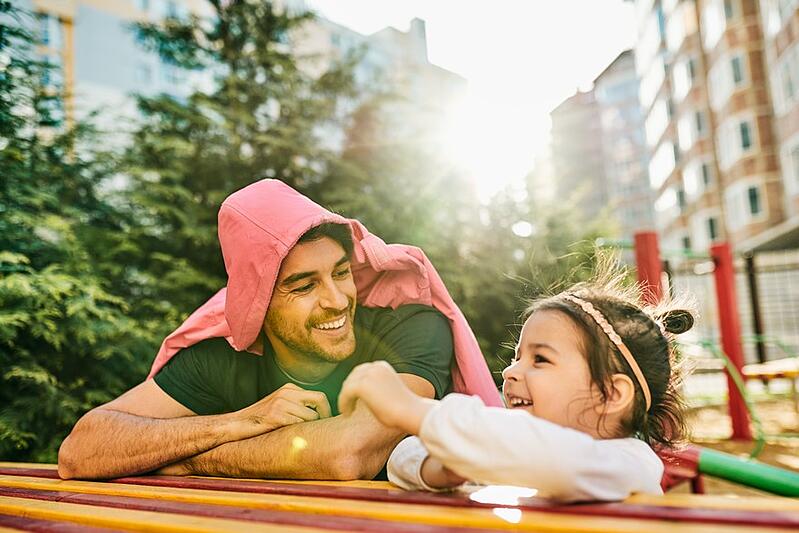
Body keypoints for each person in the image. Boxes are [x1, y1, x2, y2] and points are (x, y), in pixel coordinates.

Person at [57, 179, 500, 480]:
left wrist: (190, 459)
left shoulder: (412, 326)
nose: (336, 299)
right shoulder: (219, 356)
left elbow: (348, 453)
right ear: (258, 306)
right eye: (304, 285)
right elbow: (81, 451)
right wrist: (238, 422)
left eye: (341, 272)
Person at [338, 276, 693, 502]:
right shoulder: (510, 446)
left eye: (540, 360)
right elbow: (404, 454)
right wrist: (441, 467)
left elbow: (553, 460)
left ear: (611, 395)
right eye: (516, 356)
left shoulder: (628, 463)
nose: (510, 370)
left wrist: (416, 411)